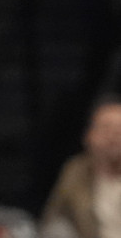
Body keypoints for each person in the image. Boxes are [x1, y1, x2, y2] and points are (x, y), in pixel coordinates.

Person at [39, 93, 121, 238]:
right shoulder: (76, 171)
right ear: (89, 135)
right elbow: (53, 220)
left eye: (119, 130)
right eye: (106, 129)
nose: (113, 137)